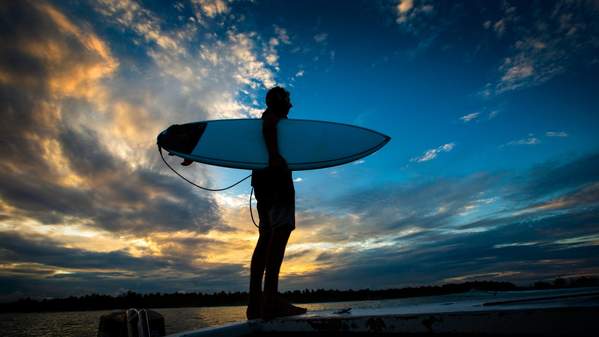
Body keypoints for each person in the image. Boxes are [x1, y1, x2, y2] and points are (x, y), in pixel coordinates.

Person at [247, 87, 307, 320]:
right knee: (280, 232)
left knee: (265, 237)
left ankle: (255, 303)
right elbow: (269, 124)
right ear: (279, 101)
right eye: (288, 101)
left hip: (261, 184)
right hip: (277, 182)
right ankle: (270, 300)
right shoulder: (273, 119)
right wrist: (274, 155)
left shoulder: (268, 124)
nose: (291, 106)